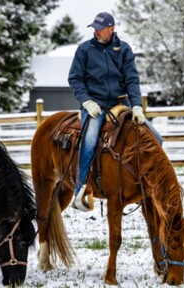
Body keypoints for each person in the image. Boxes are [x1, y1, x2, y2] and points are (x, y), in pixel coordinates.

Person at [68, 12, 163, 212]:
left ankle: (146, 184)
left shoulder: (124, 50)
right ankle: (81, 189)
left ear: (111, 28)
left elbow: (131, 80)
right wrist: (86, 101)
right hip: (95, 106)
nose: (96, 32)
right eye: (94, 28)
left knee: (156, 138)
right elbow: (75, 78)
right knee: (91, 139)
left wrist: (136, 105)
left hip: (121, 104)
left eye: (100, 28)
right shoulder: (84, 50)